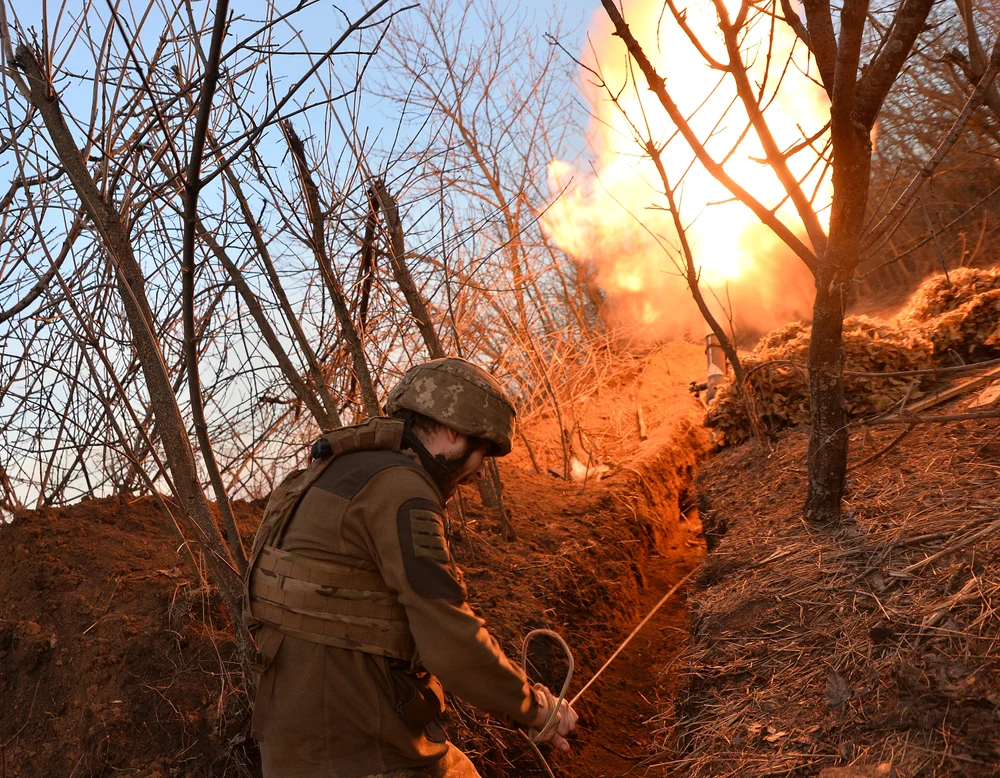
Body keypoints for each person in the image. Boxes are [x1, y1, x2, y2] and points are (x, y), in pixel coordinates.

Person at [243, 357, 578, 777]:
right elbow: (449, 637)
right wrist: (536, 708)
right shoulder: (402, 489)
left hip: (298, 745)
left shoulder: (342, 469)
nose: (477, 472)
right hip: (358, 748)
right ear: (454, 432)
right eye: (483, 452)